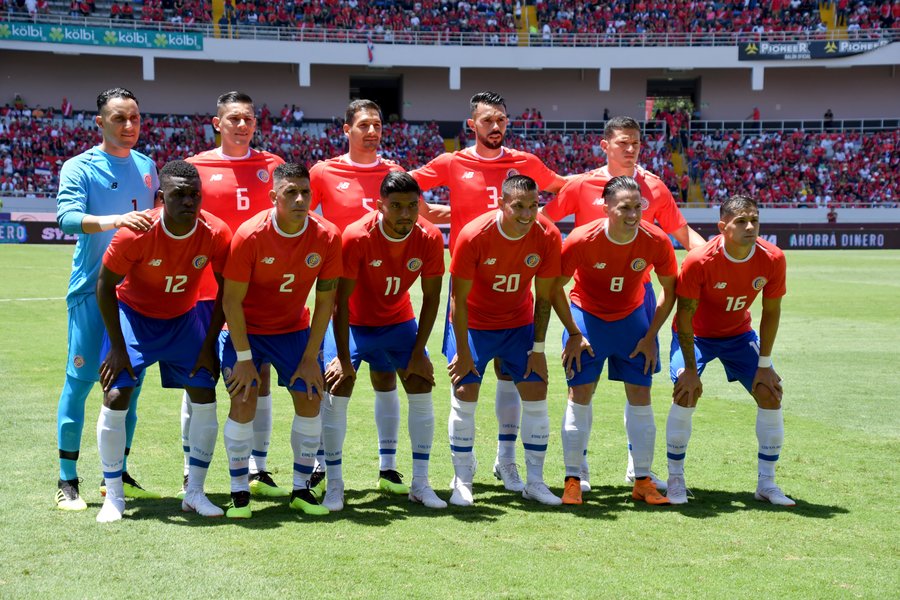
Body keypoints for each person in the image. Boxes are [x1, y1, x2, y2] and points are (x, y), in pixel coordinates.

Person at [411, 91, 566, 494]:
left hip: (515, 285)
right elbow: (407, 186)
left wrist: (540, 221)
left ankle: (506, 461)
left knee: (511, 376)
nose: (495, 127)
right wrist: (433, 213)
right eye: (487, 120)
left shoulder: (526, 163)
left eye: (501, 120)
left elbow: (564, 188)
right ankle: (464, 470)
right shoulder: (452, 162)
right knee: (466, 381)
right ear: (472, 125)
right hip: (471, 285)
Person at [541, 115, 706, 492]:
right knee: (584, 383)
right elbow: (545, 222)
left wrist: (714, 258)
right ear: (605, 146)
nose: (631, 149)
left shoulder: (654, 187)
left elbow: (682, 234)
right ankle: (578, 470)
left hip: (637, 295)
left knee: (639, 383)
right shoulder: (581, 185)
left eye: (636, 143)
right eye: (623, 143)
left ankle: (638, 468)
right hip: (588, 295)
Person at [309, 99, 445, 496]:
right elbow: (304, 216)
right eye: (364, 125)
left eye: (378, 125)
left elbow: (420, 213)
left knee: (388, 378)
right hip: (344, 296)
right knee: (334, 380)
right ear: (346, 129)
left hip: (392, 301)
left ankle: (390, 468)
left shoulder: (395, 174)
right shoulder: (324, 171)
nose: (372, 132)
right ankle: (322, 466)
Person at [94, 160, 232, 522]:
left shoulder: (215, 232)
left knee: (205, 392)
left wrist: (209, 343)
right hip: (134, 318)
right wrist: (117, 347)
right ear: (160, 197)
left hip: (183, 321)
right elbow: (105, 286)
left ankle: (195, 492)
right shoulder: (135, 233)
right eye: (179, 194)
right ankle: (114, 496)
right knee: (116, 394)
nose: (188, 201)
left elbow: (226, 291)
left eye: (195, 195)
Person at [54, 87, 159, 511]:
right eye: (119, 118)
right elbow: (66, 219)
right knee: (80, 383)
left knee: (128, 385)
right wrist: (118, 220)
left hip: (135, 296)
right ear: (100, 122)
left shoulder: (147, 166)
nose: (129, 126)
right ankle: (66, 479)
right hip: (91, 290)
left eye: (135, 118)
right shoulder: (79, 166)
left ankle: (116, 474)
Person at [220, 162, 341, 518]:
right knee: (243, 399)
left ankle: (301, 489)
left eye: (305, 192)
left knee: (310, 396)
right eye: (291, 192)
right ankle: (239, 492)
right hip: (247, 331)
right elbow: (231, 301)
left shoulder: (327, 236)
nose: (300, 199)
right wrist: (244, 359)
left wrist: (311, 356)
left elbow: (325, 301)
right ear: (274, 196)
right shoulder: (249, 235)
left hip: (292, 330)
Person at [551, 176, 677, 506]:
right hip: (588, 320)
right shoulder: (582, 239)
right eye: (624, 208)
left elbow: (670, 288)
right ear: (605, 207)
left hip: (632, 323)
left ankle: (643, 481)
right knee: (579, 394)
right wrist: (573, 332)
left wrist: (651, 336)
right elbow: (554, 287)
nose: (633, 214)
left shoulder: (655, 239)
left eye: (638, 207)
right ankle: (573, 480)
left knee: (641, 396)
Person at [184, 91, 285, 499]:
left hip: (258, 292)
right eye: (234, 119)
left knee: (260, 377)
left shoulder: (273, 166)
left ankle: (258, 467)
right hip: (205, 292)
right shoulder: (195, 167)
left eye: (248, 119)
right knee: (198, 377)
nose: (242, 126)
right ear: (217, 123)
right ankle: (190, 470)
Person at [666, 194, 794, 506]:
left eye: (755, 220)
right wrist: (690, 371)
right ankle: (675, 479)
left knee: (770, 392)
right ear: (723, 227)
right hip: (696, 336)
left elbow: (771, 312)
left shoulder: (773, 258)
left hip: (738, 335)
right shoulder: (699, 260)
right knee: (686, 391)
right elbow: (684, 318)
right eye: (741, 221)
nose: (750, 227)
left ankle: (766, 484)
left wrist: (765, 363)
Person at [446, 175, 562, 507]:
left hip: (518, 324)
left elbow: (544, 297)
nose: (527, 214)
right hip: (475, 324)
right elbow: (458, 300)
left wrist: (538, 349)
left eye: (534, 206)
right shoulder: (474, 235)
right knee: (465, 391)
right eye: (519, 206)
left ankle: (533, 480)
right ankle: (462, 479)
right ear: (501, 204)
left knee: (536, 390)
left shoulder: (548, 235)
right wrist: (463, 352)